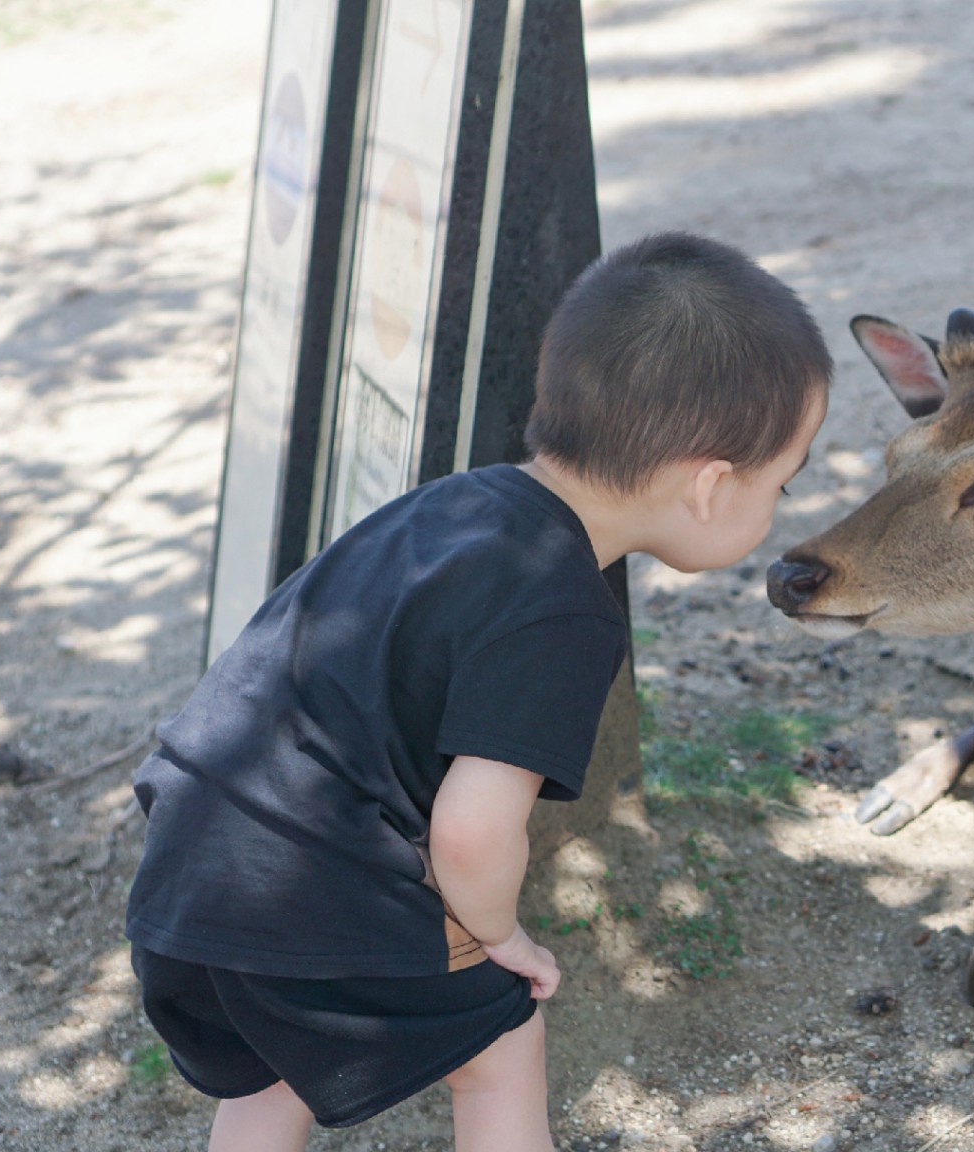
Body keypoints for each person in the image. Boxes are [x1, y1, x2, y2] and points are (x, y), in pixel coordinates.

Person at [124, 232, 832, 1152]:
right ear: (708, 485)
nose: (777, 506)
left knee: (271, 1068)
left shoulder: (455, 505)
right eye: (781, 482)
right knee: (501, 1042)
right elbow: (472, 829)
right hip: (307, 879)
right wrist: (498, 936)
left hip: (189, 854)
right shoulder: (561, 608)